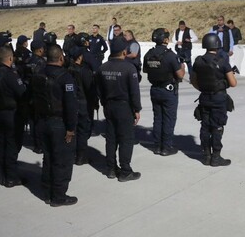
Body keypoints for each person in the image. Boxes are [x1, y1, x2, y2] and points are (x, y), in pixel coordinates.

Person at [36, 45, 78, 206]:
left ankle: (47, 192)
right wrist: (71, 128)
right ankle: (59, 196)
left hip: (42, 122)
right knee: (62, 161)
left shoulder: (39, 73)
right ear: (61, 58)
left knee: (48, 158)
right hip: (59, 124)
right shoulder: (65, 77)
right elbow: (71, 105)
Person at [95, 37, 142, 182]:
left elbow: (99, 90)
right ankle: (125, 170)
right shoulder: (129, 68)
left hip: (109, 106)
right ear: (124, 51)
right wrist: (136, 109)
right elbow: (134, 91)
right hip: (124, 107)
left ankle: (111, 168)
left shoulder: (102, 68)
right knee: (126, 138)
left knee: (111, 138)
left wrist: (104, 103)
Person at [191, 33, 237, 166]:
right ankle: (216, 157)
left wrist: (204, 89)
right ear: (217, 45)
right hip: (218, 99)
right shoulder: (222, 61)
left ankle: (206, 155)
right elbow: (233, 83)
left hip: (204, 98)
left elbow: (194, 81)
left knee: (205, 127)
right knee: (217, 127)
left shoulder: (198, 61)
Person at [0, 46, 27, 187]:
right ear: (10, 58)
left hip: (0, 112)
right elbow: (22, 92)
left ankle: (4, 173)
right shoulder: (10, 74)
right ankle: (11, 177)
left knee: (3, 143)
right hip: (12, 114)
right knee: (12, 145)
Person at [143, 28, 186, 156]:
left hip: (155, 89)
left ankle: (157, 146)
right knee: (168, 119)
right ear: (166, 40)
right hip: (168, 91)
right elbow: (180, 75)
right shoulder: (170, 55)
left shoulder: (148, 54)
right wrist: (182, 67)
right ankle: (166, 147)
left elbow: (146, 70)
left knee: (157, 118)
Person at [67, 47, 94, 166]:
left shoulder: (67, 70)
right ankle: (81, 156)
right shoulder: (84, 71)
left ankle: (72, 154)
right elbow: (90, 89)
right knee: (83, 131)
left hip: (71, 103)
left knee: (73, 130)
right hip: (83, 103)